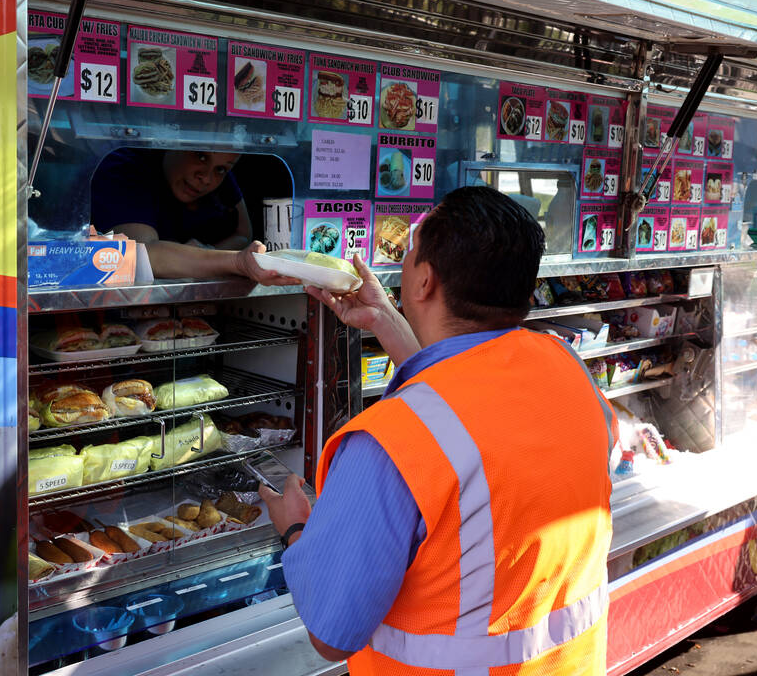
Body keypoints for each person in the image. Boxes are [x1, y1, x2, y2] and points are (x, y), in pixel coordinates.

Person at [260, 186, 620, 674]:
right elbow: (480, 415)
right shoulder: (568, 370)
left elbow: (331, 633)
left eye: (407, 250)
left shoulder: (389, 445)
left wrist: (297, 531)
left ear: (424, 281)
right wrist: (388, 319)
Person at [91, 147, 291, 283]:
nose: (205, 178)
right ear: (173, 142)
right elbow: (143, 254)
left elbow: (243, 233)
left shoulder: (219, 178)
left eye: (221, 169)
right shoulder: (125, 167)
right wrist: (236, 262)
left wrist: (204, 253)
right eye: (200, 156)